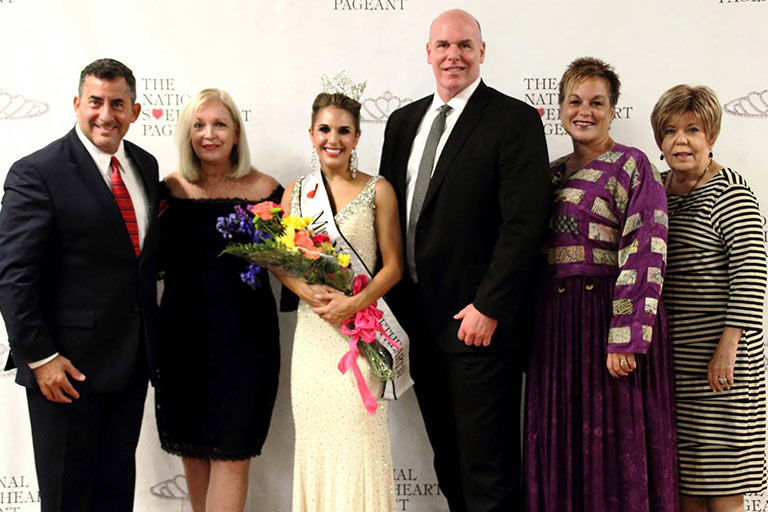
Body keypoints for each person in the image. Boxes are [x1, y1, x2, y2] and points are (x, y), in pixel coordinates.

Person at [378, 9, 550, 511]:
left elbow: (523, 225)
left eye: (464, 45)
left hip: (479, 326)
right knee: (448, 464)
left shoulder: (513, 120)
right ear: (427, 53)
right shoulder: (402, 121)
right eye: (443, 45)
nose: (453, 55)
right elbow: (386, 216)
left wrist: (489, 306)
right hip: (414, 324)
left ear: (481, 51)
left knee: (488, 473)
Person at [0, 58, 160, 512]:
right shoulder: (38, 172)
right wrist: (41, 358)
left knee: (114, 497)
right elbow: (13, 276)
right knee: (69, 499)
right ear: (76, 104)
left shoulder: (144, 166)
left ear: (135, 110)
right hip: (64, 373)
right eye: (95, 102)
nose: (105, 114)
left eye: (117, 103)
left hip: (130, 367)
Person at [523, 57, 679, 512]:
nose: (584, 111)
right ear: (559, 108)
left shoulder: (633, 166)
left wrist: (626, 339)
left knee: (616, 448)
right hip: (556, 329)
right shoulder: (547, 173)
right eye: (575, 101)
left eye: (597, 102)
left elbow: (647, 250)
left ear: (613, 110)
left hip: (609, 322)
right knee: (561, 443)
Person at [155, 88, 282, 512]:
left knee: (231, 453)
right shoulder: (168, 191)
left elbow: (291, 265)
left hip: (246, 345)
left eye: (220, 124)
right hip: (181, 343)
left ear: (236, 133)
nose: (209, 134)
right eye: (199, 124)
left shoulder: (266, 190)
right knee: (194, 450)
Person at [277, 91, 403, 512]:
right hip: (313, 335)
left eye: (343, 131)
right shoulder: (297, 191)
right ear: (312, 134)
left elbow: (394, 266)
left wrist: (355, 303)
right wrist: (308, 293)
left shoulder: (378, 190)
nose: (334, 139)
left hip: (360, 333)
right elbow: (280, 261)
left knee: (358, 439)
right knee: (316, 443)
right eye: (325, 129)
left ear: (357, 136)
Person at [652, 84, 767, 512]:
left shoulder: (732, 193)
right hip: (674, 364)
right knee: (686, 490)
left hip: (722, 364)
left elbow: (752, 276)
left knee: (723, 489)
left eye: (693, 130)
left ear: (712, 136)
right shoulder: (657, 190)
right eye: (670, 131)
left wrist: (727, 348)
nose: (680, 140)